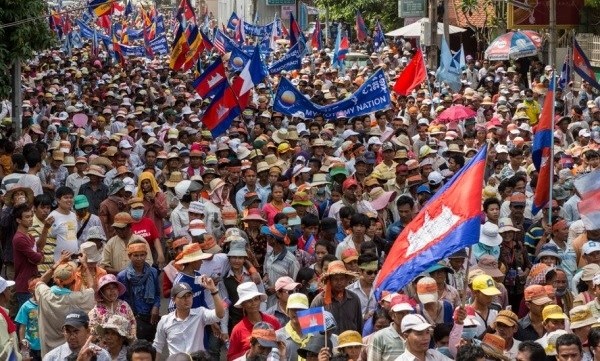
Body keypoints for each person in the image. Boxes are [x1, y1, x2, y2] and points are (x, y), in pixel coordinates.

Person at [35, 252, 96, 355]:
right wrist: (85, 265)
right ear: (74, 281)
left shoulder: (45, 295)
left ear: (55, 279)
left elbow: (39, 282)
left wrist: (57, 264)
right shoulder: (79, 298)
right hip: (74, 353)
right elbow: (93, 288)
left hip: (49, 354)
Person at [153, 281, 224, 357]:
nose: (187, 299)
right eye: (182, 296)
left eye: (189, 295)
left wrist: (213, 290)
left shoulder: (200, 313)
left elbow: (219, 314)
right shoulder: (165, 321)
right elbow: (157, 347)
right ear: (173, 300)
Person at [117, 241, 160, 342]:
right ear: (129, 256)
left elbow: (157, 293)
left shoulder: (153, 272)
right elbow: (120, 300)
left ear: (146, 255)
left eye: (142, 255)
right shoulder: (123, 276)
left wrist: (156, 306)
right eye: (136, 255)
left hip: (150, 317)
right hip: (132, 318)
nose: (139, 258)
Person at [227, 282, 280, 360]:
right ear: (243, 304)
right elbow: (230, 358)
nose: (253, 303)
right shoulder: (238, 329)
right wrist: (249, 353)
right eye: (249, 301)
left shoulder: (273, 321)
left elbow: (282, 345)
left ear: (259, 300)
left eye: (256, 299)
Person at [13, 203, 50, 308]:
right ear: (19, 220)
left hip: (33, 283)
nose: (30, 219)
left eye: (31, 216)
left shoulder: (30, 236)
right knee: (27, 317)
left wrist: (38, 256)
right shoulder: (19, 238)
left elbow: (39, 255)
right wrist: (38, 256)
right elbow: (37, 257)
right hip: (24, 284)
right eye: (27, 217)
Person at [311, 260, 363, 334]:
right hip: (328, 344)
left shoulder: (354, 299)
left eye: (342, 279)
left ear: (346, 280)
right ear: (329, 281)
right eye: (335, 279)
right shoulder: (319, 301)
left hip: (349, 343)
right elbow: (313, 330)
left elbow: (359, 325)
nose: (339, 282)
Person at [42, 310, 111, 361]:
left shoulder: (102, 356)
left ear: (87, 331)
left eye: (76, 331)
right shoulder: (52, 358)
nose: (72, 337)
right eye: (68, 331)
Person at [88, 274, 136, 340]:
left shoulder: (124, 305)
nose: (112, 290)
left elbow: (132, 322)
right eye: (108, 288)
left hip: (124, 343)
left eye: (114, 288)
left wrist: (132, 337)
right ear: (101, 292)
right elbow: (93, 331)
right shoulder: (95, 311)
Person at [367, 295, 414, 361]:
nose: (405, 316)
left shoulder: (415, 335)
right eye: (401, 313)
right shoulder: (380, 337)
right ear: (392, 315)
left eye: (407, 312)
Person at [274, 292, 310, 361]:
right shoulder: (278, 336)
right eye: (293, 309)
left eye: (300, 309)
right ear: (287, 311)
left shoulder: (314, 334)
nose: (296, 312)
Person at [47, 186, 79, 262]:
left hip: (73, 260)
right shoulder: (52, 216)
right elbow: (48, 238)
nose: (69, 200)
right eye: (66, 197)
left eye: (71, 197)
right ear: (58, 200)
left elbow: (73, 235)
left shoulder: (73, 215)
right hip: (58, 261)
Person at [16, 278, 41, 361]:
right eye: (37, 289)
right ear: (31, 290)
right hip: (31, 346)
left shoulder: (46, 304)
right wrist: (23, 345)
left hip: (45, 344)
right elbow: (22, 326)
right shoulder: (26, 306)